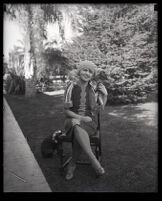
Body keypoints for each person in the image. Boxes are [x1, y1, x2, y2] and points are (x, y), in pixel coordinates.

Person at [63, 60, 108, 180]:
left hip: (90, 122)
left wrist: (105, 94)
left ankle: (72, 165)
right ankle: (94, 161)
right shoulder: (71, 86)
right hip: (72, 119)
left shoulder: (93, 88)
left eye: (90, 72)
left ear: (92, 75)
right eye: (84, 70)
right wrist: (81, 118)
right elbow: (66, 111)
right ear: (79, 71)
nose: (87, 73)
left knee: (79, 130)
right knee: (76, 124)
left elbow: (101, 107)